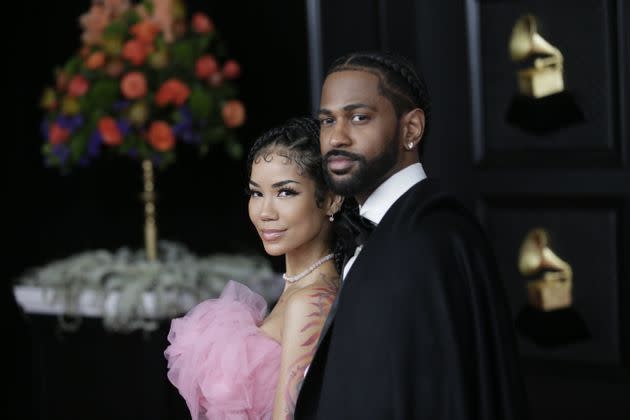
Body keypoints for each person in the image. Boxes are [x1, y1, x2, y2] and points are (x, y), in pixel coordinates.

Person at [294, 51, 528, 419]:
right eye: (327, 121)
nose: (336, 137)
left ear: (411, 129)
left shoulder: (426, 243)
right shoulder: (405, 229)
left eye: (359, 118)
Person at [164, 117, 349, 419]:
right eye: (256, 193)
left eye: (285, 192)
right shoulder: (298, 290)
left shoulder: (310, 301)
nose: (264, 211)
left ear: (331, 199)